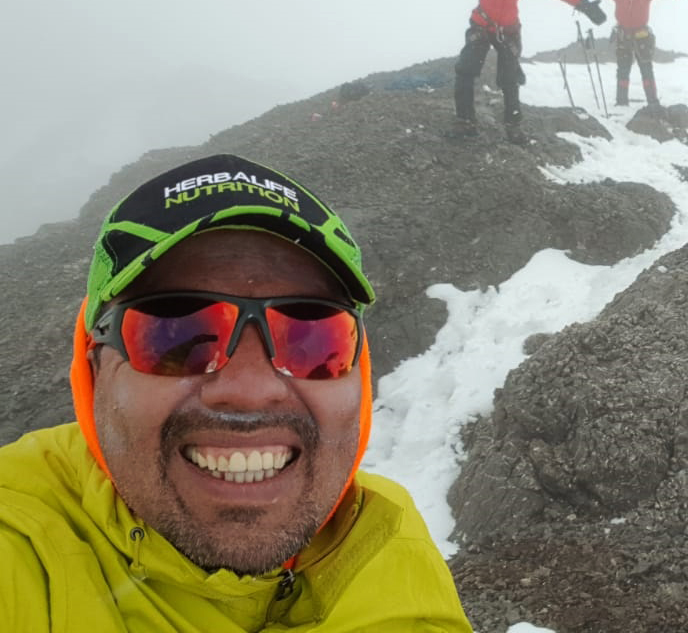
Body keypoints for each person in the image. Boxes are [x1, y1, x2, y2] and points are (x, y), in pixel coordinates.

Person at [0, 153, 473, 631]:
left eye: (313, 339)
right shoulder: (20, 536)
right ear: (94, 368)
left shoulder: (389, 535)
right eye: (174, 335)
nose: (251, 390)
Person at [402, 0, 607, 142]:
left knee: (509, 79)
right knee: (466, 70)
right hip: (482, 24)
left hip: (508, 30)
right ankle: (466, 124)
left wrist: (583, 5)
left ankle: (512, 128)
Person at [580, 0, 683, 108]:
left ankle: (653, 102)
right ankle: (621, 103)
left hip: (642, 38)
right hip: (623, 36)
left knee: (646, 69)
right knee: (623, 71)